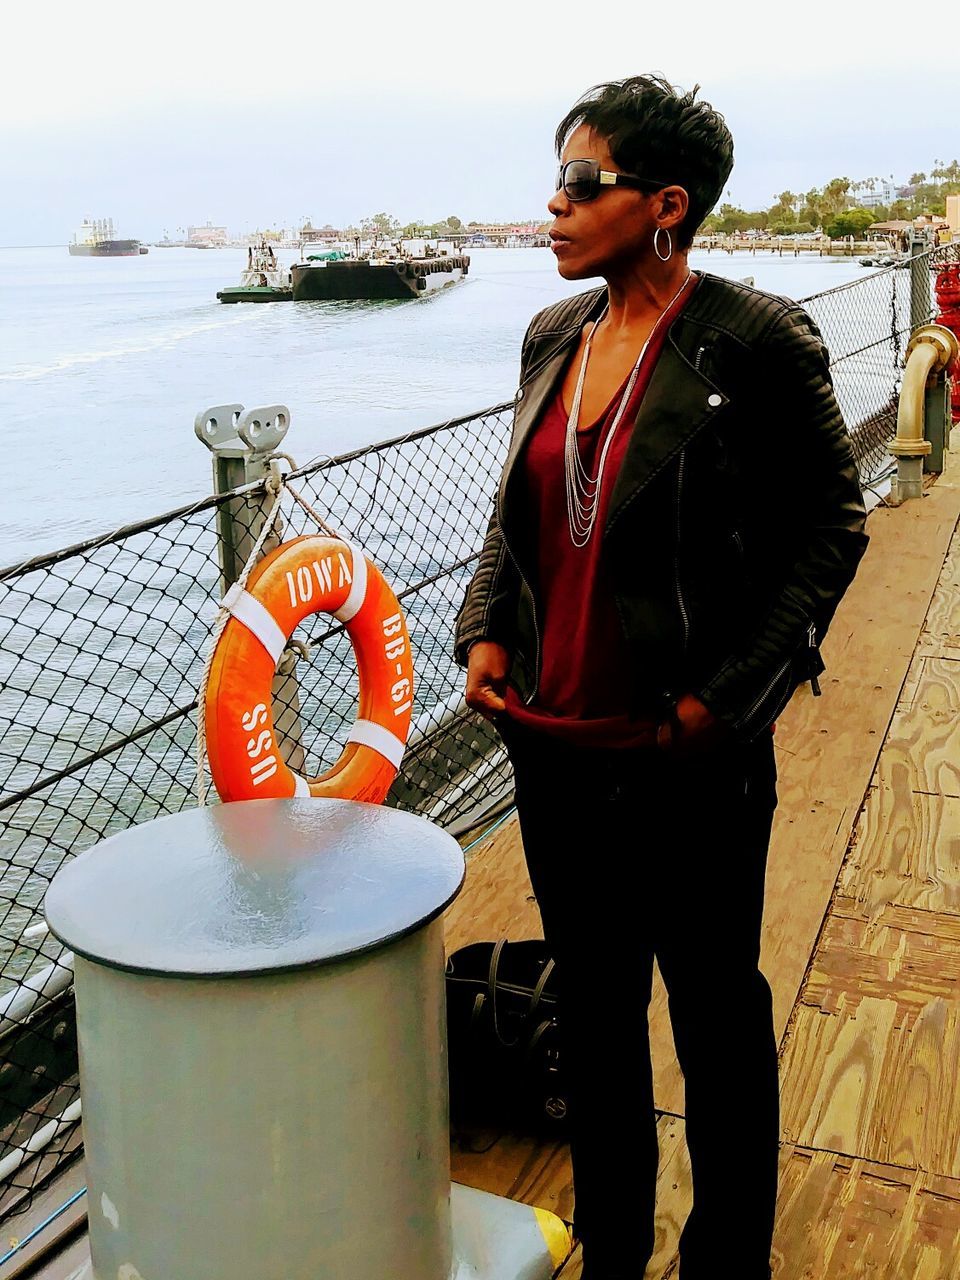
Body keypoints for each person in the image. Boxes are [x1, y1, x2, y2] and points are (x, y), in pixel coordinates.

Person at [453, 74, 868, 1280]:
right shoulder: (551, 336)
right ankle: (615, 1248)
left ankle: (727, 1255)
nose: (555, 202)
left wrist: (721, 703)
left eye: (582, 181)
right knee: (592, 1016)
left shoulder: (754, 340)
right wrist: (488, 624)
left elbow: (832, 529)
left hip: (685, 755)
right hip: (554, 746)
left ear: (665, 203)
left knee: (715, 1011)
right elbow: (517, 513)